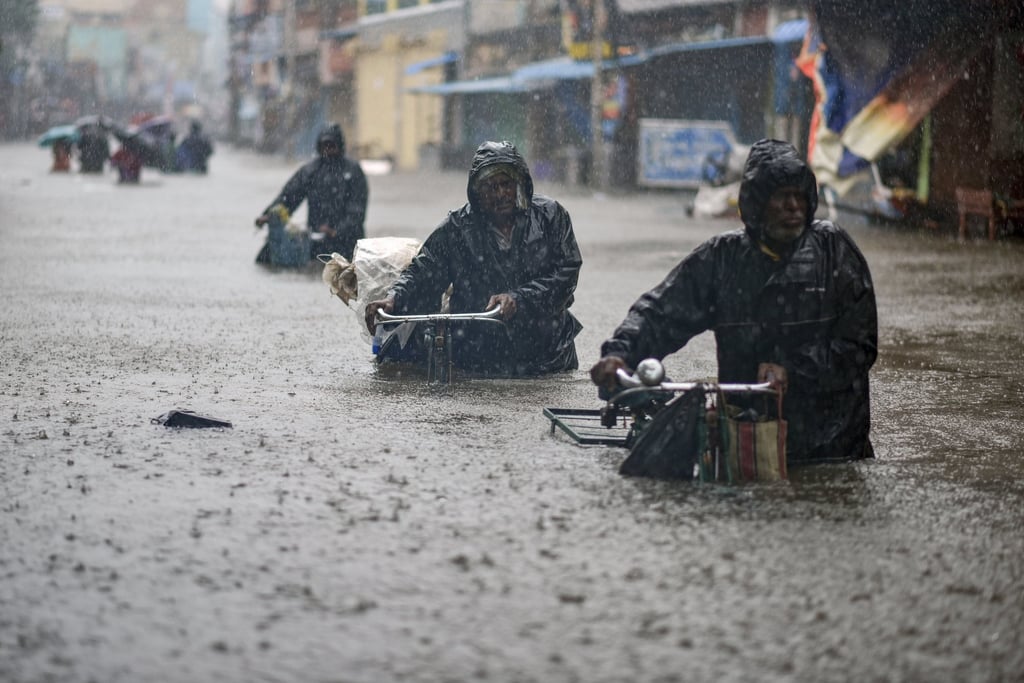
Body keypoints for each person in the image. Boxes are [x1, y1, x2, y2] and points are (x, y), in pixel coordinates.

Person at [590, 139, 877, 463]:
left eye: (799, 196)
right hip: (747, 442)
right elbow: (660, 312)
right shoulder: (722, 259)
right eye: (782, 197)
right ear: (757, 203)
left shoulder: (834, 250)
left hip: (834, 450)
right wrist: (620, 353)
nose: (794, 207)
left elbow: (859, 347)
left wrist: (793, 372)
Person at [363, 140, 583, 377]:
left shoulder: (550, 216)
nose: (500, 194)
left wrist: (519, 299)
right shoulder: (457, 228)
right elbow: (423, 271)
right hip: (479, 356)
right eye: (490, 187)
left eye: (506, 184)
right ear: (477, 192)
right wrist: (394, 299)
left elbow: (566, 275)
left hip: (547, 358)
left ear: (519, 185)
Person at [254, 123, 368, 262]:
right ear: (319, 147)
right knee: (265, 258)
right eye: (324, 146)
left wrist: (336, 231)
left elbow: (357, 211)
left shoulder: (353, 171)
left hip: (347, 243)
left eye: (332, 146)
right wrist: (268, 215)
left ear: (340, 146)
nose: (328, 150)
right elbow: (288, 197)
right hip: (316, 240)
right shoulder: (311, 171)